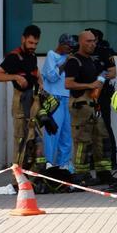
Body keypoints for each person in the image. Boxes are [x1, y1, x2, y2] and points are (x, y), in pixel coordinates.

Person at [0, 25, 55, 173]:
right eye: (31, 43)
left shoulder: (31, 56)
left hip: (34, 103)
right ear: (23, 39)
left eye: (36, 44)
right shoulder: (13, 57)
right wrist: (15, 77)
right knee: (21, 142)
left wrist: (40, 84)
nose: (33, 46)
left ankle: (34, 178)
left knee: (35, 142)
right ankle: (17, 181)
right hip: (20, 104)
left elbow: (36, 72)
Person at [64, 30, 114, 186]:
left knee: (102, 138)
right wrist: (90, 85)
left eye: (94, 41)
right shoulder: (74, 61)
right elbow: (68, 83)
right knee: (82, 141)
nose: (93, 44)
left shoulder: (90, 61)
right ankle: (81, 175)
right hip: (80, 105)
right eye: (89, 41)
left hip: (93, 105)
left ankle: (104, 173)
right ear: (81, 42)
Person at [41, 33, 77, 170]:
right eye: (69, 46)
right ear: (61, 45)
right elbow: (51, 77)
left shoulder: (67, 57)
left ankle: (64, 165)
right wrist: (66, 62)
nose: (70, 49)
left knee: (66, 133)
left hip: (66, 98)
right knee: (52, 132)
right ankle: (49, 163)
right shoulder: (52, 55)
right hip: (54, 99)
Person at [86, 28, 117, 168]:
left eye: (91, 38)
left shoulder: (104, 51)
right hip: (86, 95)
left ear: (97, 38)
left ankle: (112, 159)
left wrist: (99, 78)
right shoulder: (82, 52)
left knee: (105, 126)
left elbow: (113, 73)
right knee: (89, 128)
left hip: (102, 95)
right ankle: (93, 160)